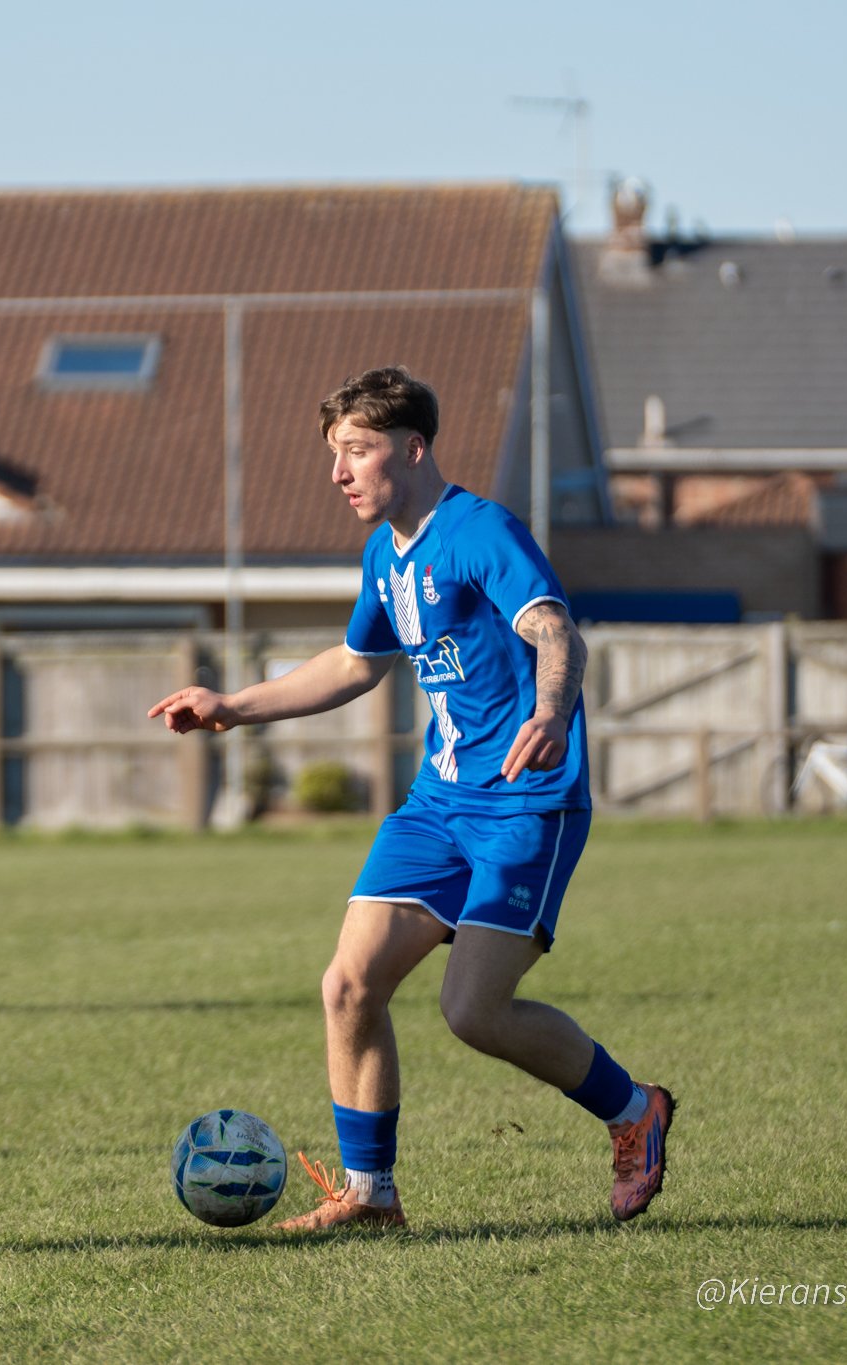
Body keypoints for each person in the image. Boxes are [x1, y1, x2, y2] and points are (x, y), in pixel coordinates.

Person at [148, 367, 672, 1231]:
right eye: (334, 453)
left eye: (357, 450)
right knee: (348, 985)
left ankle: (633, 1109)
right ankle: (370, 1194)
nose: (338, 472)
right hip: (438, 804)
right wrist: (234, 704)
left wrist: (550, 711)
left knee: (473, 1011)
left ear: (414, 448)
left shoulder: (479, 531)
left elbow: (554, 630)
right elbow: (357, 663)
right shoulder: (385, 554)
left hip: (525, 803)